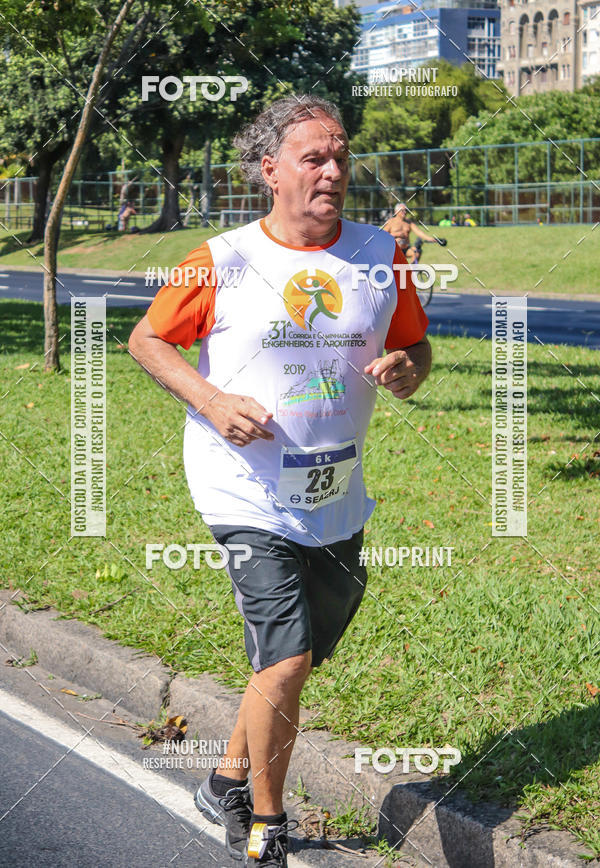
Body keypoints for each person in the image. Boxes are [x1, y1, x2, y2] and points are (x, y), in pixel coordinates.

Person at [128, 95, 431, 867]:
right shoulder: (222, 258)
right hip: (243, 489)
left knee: (291, 661)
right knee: (287, 660)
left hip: (334, 495)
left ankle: (225, 779)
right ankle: (265, 825)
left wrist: (408, 369)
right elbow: (148, 338)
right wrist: (211, 400)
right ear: (271, 170)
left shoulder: (381, 254)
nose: (332, 171)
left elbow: (415, 348)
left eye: (340, 157)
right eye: (313, 158)